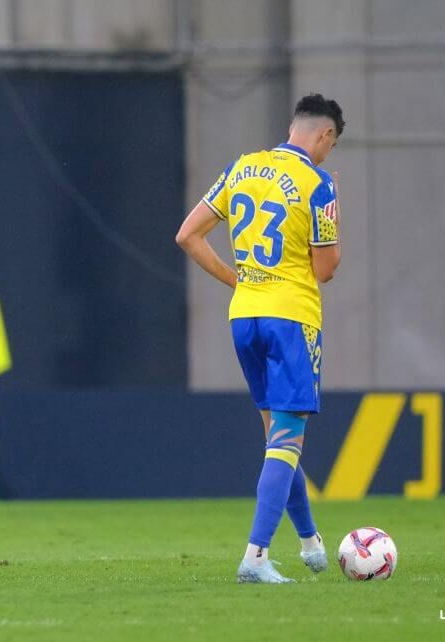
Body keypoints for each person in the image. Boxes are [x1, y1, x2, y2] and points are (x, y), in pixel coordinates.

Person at [176, 93, 344, 583]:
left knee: (277, 438)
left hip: (244, 315)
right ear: (325, 136)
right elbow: (326, 269)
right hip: (291, 317)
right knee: (288, 439)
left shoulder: (242, 168)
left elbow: (188, 235)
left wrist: (237, 280)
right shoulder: (319, 182)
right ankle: (255, 556)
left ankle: (310, 540)